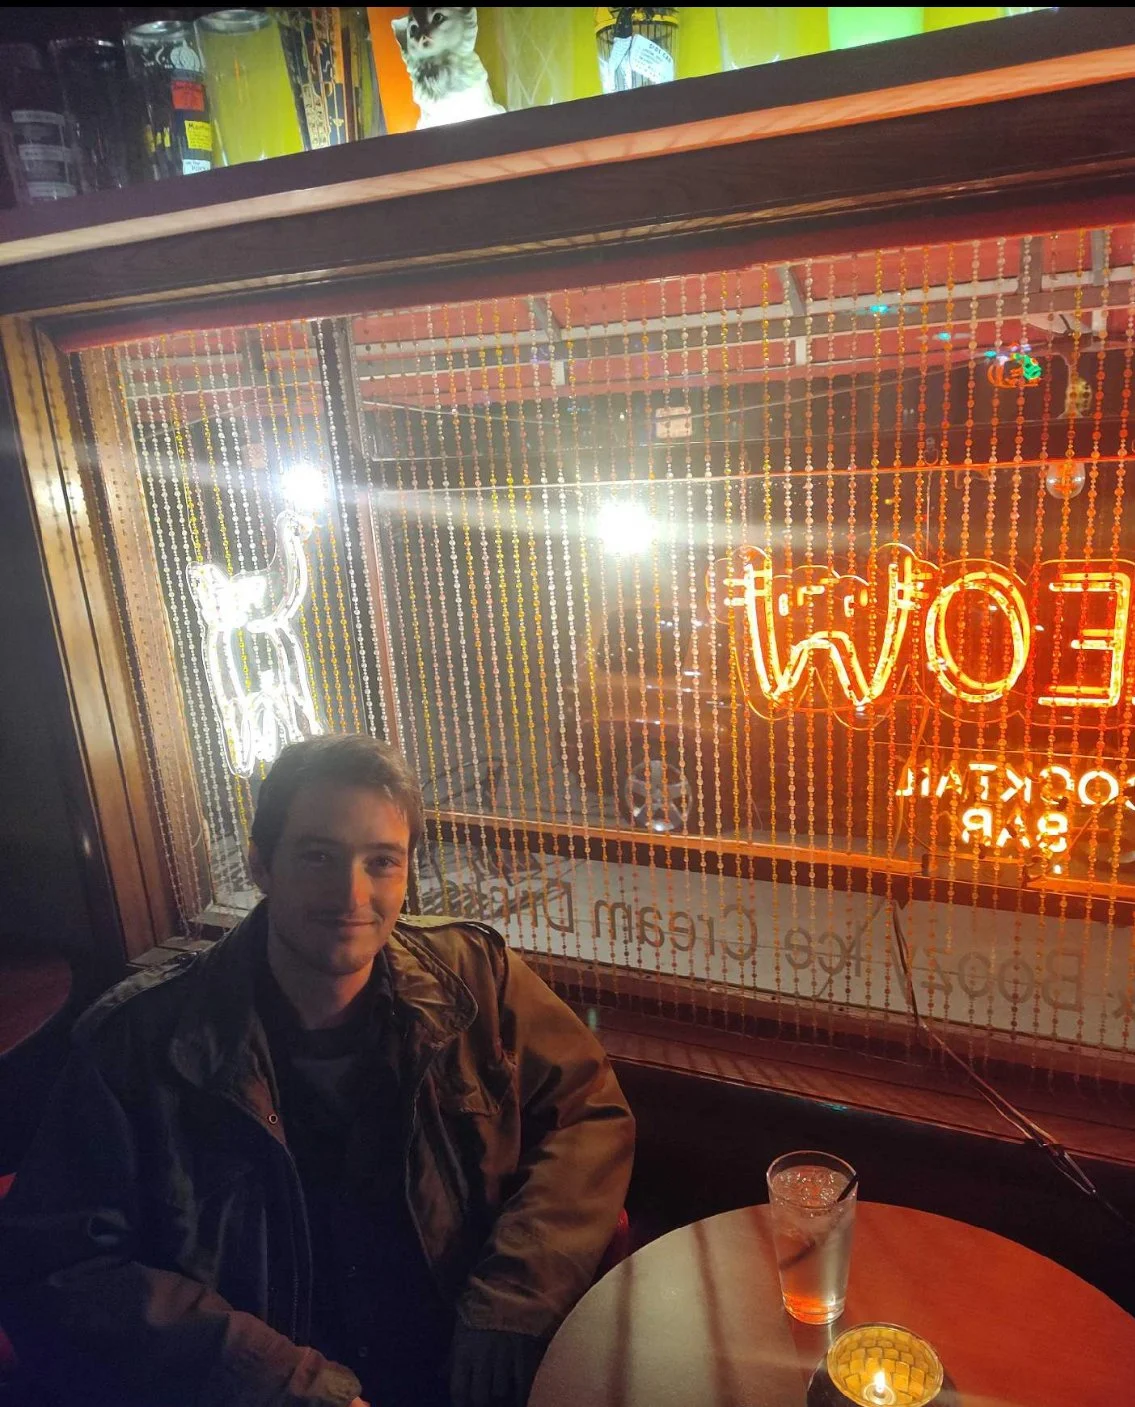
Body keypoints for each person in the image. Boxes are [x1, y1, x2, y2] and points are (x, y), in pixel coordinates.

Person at [0, 735, 634, 1407]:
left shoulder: (478, 980)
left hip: (454, 1373)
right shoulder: (142, 1043)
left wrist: (514, 1295)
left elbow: (587, 1111)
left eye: (381, 861)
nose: (351, 894)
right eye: (317, 857)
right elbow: (55, 1267)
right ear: (260, 865)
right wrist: (275, 1379)